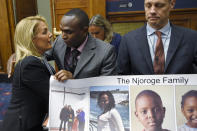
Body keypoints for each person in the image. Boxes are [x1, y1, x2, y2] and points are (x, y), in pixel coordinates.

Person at [2, 15, 54, 131]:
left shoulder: (37, 58)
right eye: (45, 32)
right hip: (23, 126)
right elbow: (52, 94)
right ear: (32, 39)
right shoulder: (29, 64)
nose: (50, 34)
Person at [117, 0, 197, 75]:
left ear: (172, 4)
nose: (152, 11)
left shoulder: (192, 38)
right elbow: (121, 76)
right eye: (148, 6)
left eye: (159, 5)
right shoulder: (128, 40)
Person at [45, 8, 116, 81]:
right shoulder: (59, 41)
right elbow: (40, 57)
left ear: (84, 31)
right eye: (62, 30)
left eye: (68, 32)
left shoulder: (106, 52)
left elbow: (106, 86)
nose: (63, 36)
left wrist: (74, 82)